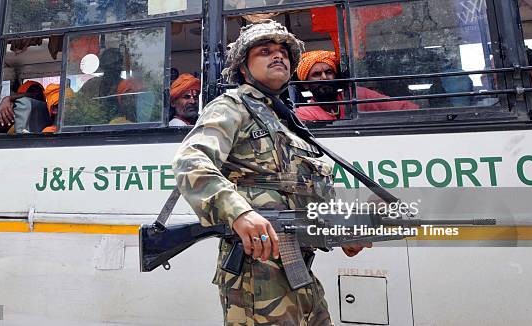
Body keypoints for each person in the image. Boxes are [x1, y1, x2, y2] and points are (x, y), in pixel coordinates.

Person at [172, 20, 368, 325]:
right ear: (243, 68)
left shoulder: (289, 123)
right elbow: (190, 162)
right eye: (265, 51)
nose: (278, 56)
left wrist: (343, 234)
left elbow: (303, 192)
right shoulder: (231, 107)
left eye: (283, 52)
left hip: (300, 275)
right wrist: (239, 213)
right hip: (257, 278)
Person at [295, 50, 419, 121]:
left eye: (328, 72)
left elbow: (405, 108)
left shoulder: (357, 95)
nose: (324, 77)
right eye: (316, 74)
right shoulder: (303, 114)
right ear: (306, 84)